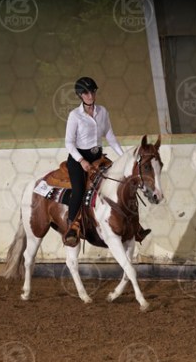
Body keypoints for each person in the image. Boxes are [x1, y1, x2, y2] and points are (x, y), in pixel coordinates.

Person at [63, 76, 150, 247]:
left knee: (122, 184)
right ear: (80, 95)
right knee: (79, 190)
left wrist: (126, 157)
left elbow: (110, 137)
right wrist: (81, 161)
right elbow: (69, 143)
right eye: (86, 93)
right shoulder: (74, 115)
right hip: (78, 159)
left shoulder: (102, 112)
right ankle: (72, 227)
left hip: (98, 158)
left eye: (92, 92)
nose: (90, 95)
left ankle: (135, 225)